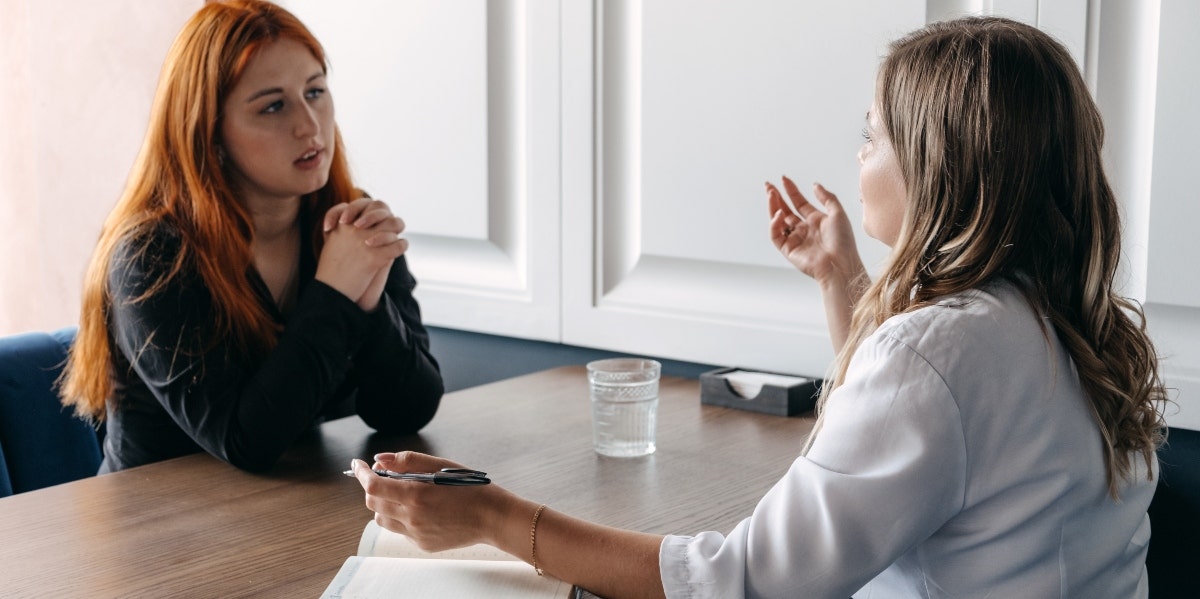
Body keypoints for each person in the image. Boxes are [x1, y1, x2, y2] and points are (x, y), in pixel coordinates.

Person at [350, 16, 1167, 598]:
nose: (859, 152)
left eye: (873, 134)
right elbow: (927, 441)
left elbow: (749, 582)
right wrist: (838, 275)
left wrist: (491, 513)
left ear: (938, 165)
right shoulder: (1072, 325)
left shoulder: (940, 352)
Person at [60, 0, 444, 473]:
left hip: (281, 512)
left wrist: (367, 301)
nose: (309, 125)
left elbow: (408, 411)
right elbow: (246, 442)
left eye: (316, 91)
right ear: (211, 133)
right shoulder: (153, 255)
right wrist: (337, 293)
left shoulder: (344, 220)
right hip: (154, 531)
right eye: (274, 106)